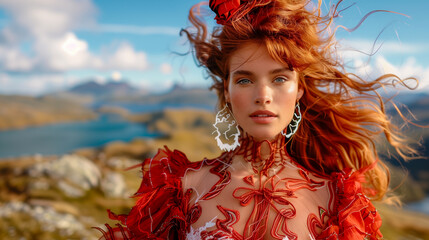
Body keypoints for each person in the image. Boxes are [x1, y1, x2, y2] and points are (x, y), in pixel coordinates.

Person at [96, 0, 418, 239]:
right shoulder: (182, 189)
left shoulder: (335, 201)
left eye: (279, 79)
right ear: (228, 88)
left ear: (299, 90)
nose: (263, 95)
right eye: (246, 80)